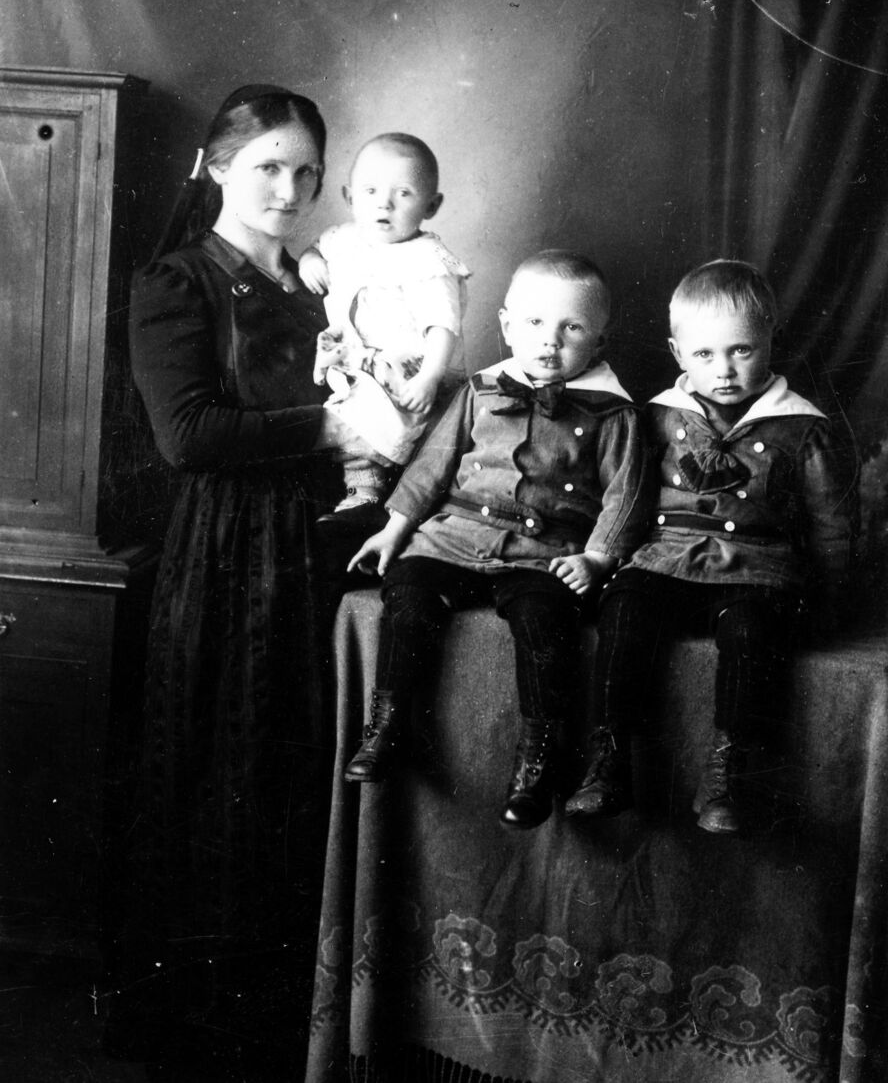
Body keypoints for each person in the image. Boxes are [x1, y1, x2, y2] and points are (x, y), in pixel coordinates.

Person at [102, 84, 341, 1081]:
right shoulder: (178, 281)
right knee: (224, 774)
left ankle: (286, 1034)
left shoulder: (325, 281)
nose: (289, 189)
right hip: (227, 554)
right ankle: (203, 1037)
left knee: (296, 777)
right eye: (267, 168)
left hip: (316, 550)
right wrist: (329, 427)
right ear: (215, 169)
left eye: (305, 172)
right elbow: (189, 436)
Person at [344, 250, 649, 830]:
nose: (550, 341)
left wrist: (597, 556)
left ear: (599, 341)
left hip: (544, 550)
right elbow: (432, 465)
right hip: (456, 536)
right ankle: (389, 727)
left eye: (572, 328)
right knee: (408, 592)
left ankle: (537, 764)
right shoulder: (482, 389)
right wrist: (394, 530)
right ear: (507, 325)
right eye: (534, 323)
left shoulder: (613, 414)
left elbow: (625, 495)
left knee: (544, 624)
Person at [565, 259, 857, 834]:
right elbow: (626, 495)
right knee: (625, 608)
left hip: (756, 565)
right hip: (666, 556)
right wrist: (604, 556)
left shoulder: (803, 427)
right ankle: (610, 759)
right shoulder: (656, 415)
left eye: (741, 350)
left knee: (752, 632)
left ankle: (730, 772)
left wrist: (831, 596)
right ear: (678, 354)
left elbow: (832, 523)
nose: (723, 370)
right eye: (704, 354)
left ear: (771, 338)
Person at [299, 133, 471, 528]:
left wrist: (430, 376)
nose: (384, 203)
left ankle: (381, 497)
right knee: (355, 425)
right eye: (371, 190)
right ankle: (362, 489)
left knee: (405, 435)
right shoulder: (343, 239)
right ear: (349, 197)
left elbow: (443, 325)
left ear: (431, 205)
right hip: (361, 364)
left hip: (411, 372)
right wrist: (310, 260)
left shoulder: (428, 260)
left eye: (404, 193)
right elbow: (316, 248)